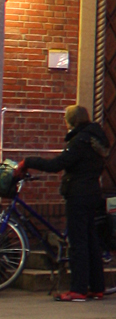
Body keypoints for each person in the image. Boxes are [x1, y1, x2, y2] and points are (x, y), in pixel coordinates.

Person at [22, 104, 110, 301]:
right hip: (92, 193)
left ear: (72, 121)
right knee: (91, 242)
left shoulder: (80, 141)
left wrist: (29, 161)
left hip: (78, 195)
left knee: (78, 243)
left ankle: (78, 289)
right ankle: (97, 287)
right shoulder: (96, 139)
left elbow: (57, 165)